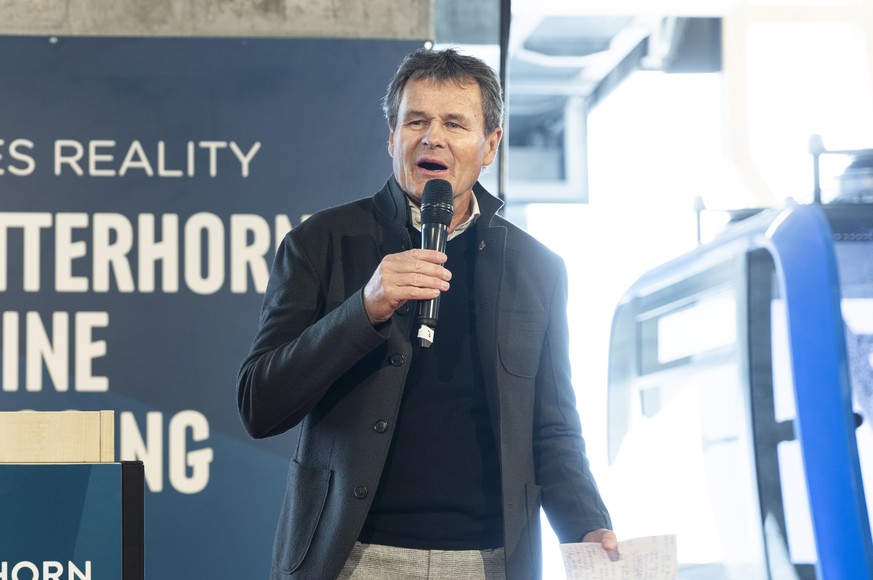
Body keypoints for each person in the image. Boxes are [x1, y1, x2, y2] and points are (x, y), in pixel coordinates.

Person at [236, 47, 617, 580]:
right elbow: (260, 404)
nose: (432, 137)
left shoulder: (537, 268)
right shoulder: (320, 242)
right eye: (416, 120)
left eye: (455, 123)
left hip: (488, 562)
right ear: (392, 138)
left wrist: (586, 524)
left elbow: (551, 428)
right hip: (353, 558)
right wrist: (362, 310)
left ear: (490, 146)